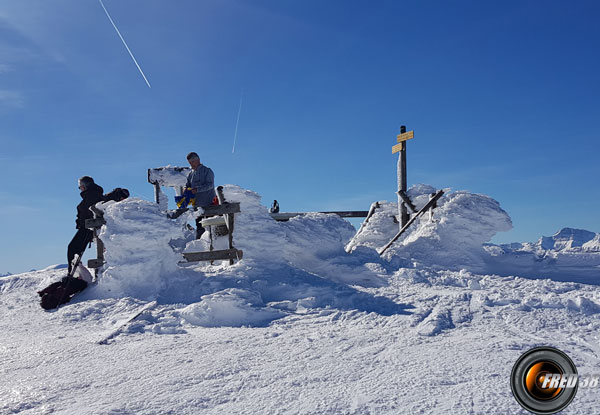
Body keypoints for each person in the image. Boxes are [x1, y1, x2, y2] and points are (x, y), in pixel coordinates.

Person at [67, 176, 104, 273]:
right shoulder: (93, 194)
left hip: (88, 227)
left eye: (80, 186)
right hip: (88, 226)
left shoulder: (92, 195)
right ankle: (75, 273)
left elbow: (89, 211)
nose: (80, 189)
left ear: (85, 185)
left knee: (72, 248)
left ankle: (73, 274)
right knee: (74, 249)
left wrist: (82, 223)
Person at [185, 152, 216, 238]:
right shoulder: (190, 174)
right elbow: (188, 185)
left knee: (211, 227)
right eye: (190, 163)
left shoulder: (207, 171)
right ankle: (200, 247)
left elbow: (210, 185)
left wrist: (197, 189)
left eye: (192, 162)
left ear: (198, 160)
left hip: (209, 204)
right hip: (197, 207)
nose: (191, 164)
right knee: (200, 228)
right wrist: (186, 189)